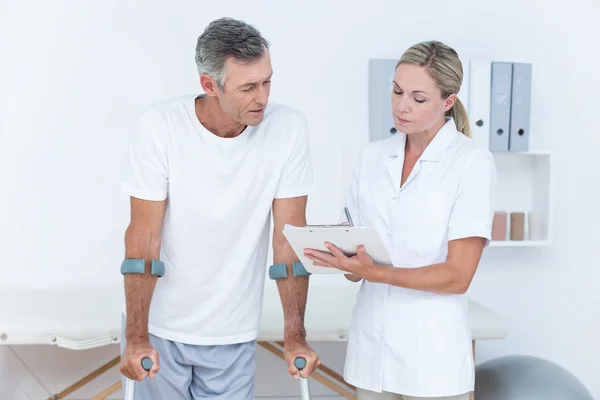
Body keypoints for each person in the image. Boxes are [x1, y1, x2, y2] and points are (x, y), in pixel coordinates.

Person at [118, 17, 321, 399]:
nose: (262, 97)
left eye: (267, 81)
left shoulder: (288, 129)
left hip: (235, 334)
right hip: (161, 333)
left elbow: (288, 240)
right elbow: (144, 237)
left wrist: (296, 335)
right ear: (209, 85)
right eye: (248, 87)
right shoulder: (159, 127)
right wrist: (136, 336)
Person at [304, 40, 497, 400]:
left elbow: (458, 275)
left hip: (433, 359)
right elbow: (358, 259)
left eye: (418, 98)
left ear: (448, 102)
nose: (401, 106)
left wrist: (375, 273)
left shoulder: (471, 163)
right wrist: (343, 259)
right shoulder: (371, 157)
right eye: (396, 91)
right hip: (372, 351)